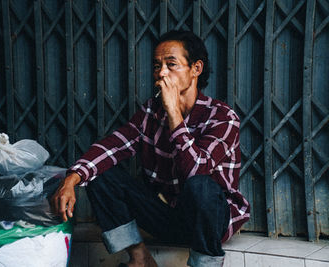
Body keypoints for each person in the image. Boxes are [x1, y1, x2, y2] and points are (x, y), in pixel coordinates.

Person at [52, 30, 250, 267]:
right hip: (167, 218)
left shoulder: (222, 117)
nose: (161, 73)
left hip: (210, 224)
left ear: (196, 69)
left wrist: (173, 112)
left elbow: (196, 170)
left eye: (171, 64)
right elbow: (114, 145)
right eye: (157, 66)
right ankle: (139, 258)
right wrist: (72, 179)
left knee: (201, 185)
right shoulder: (151, 112)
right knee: (100, 175)